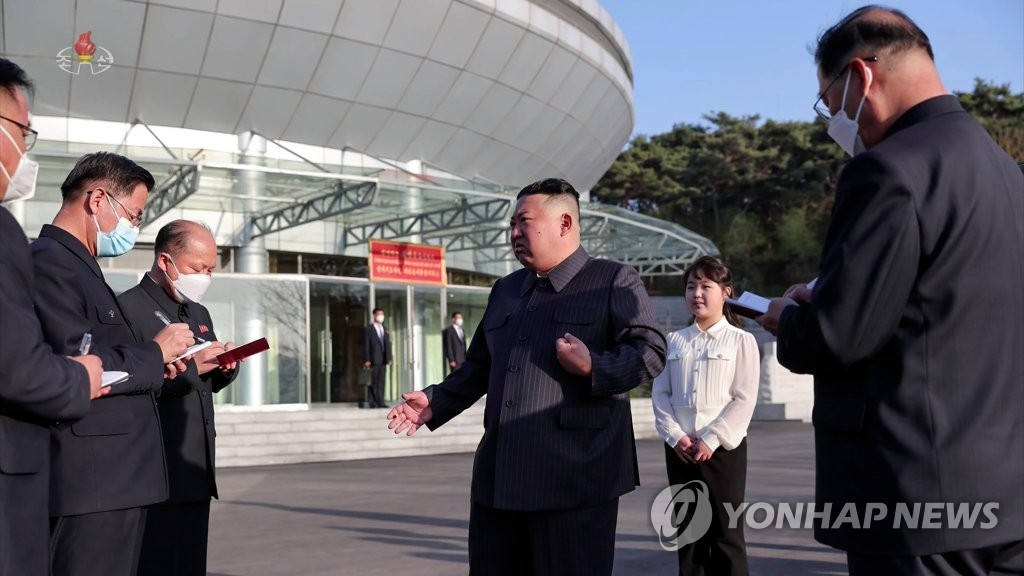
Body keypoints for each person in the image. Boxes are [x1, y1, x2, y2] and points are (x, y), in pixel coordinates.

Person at [757, 6, 1024, 574]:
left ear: (860, 77)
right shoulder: (1008, 175)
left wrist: (791, 319)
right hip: (1008, 498)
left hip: (915, 502)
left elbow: (838, 336)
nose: (838, 124)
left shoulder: (887, 171)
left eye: (831, 106)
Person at [386, 178, 666, 576]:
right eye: (512, 225)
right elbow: (479, 365)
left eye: (524, 222)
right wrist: (436, 402)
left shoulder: (612, 280)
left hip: (576, 480)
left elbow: (651, 352)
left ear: (564, 223)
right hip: (499, 480)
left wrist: (594, 366)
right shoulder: (506, 290)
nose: (514, 233)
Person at [31, 151, 195, 576]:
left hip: (115, 480)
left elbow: (108, 360)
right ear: (98, 199)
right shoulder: (51, 262)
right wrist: (153, 352)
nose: (134, 229)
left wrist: (157, 366)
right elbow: (72, 364)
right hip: (93, 482)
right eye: (134, 216)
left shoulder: (83, 266)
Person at [0, 58, 106, 576]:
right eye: (23, 130)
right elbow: (20, 368)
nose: (25, 148)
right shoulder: (17, 242)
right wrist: (82, 376)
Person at [118, 219, 239, 576]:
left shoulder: (197, 311)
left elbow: (206, 381)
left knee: (190, 563)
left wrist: (225, 368)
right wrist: (190, 371)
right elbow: (128, 387)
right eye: (196, 268)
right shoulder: (128, 310)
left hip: (196, 469)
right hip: (153, 472)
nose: (204, 277)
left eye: (210, 269)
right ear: (165, 262)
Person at [651, 256, 758, 576]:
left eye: (705, 286)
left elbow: (744, 398)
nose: (696, 293)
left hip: (724, 452)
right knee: (689, 536)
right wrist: (676, 437)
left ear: (726, 292)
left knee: (727, 537)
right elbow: (661, 395)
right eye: (690, 286)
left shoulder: (742, 341)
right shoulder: (673, 341)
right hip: (681, 452)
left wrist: (711, 439)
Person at [362, 307, 392, 408]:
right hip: (373, 359)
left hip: (383, 359)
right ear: (374, 315)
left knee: (381, 381)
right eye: (379, 314)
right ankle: (373, 402)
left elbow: (388, 344)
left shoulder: (385, 328)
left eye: (382, 314)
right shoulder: (369, 329)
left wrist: (389, 358)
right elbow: (366, 344)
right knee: (373, 381)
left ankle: (381, 402)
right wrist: (367, 359)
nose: (381, 316)